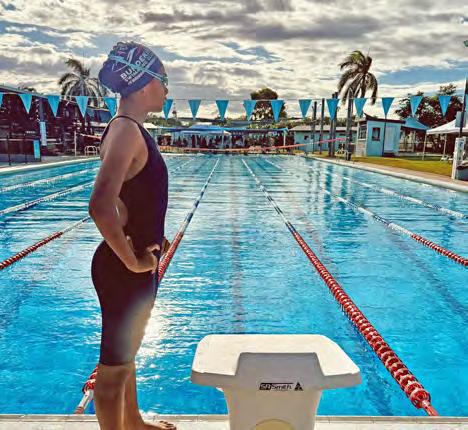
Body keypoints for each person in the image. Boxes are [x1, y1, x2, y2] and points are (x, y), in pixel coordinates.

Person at [89, 41, 176, 430]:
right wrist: (132, 260)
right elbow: (100, 205)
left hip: (131, 263)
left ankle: (135, 423)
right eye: (163, 80)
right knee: (112, 369)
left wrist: (152, 237)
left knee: (127, 354)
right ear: (144, 84)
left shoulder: (129, 129)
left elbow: (129, 200)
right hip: (122, 268)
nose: (167, 89)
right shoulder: (125, 130)